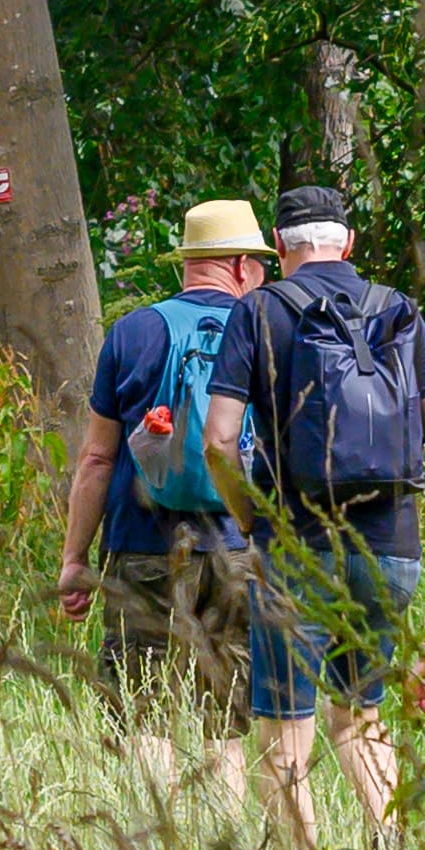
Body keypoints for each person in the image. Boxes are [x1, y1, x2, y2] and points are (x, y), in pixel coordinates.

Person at [240, 182, 425, 850]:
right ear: (349, 243)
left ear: (278, 247)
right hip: (390, 547)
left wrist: (251, 520)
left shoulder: (259, 311)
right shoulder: (398, 309)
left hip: (293, 545)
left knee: (284, 730)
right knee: (359, 715)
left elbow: (219, 436)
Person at [54, 200, 277, 785]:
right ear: (238, 264)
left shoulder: (132, 332)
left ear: (189, 262)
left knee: (143, 716)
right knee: (224, 725)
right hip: (235, 546)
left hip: (141, 547)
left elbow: (97, 457)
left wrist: (76, 559)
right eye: (258, 263)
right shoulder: (268, 332)